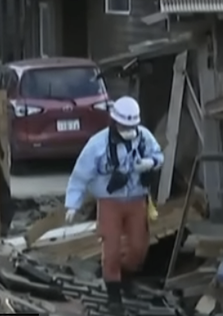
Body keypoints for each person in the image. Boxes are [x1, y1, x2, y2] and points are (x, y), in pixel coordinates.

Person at [63, 95, 163, 311]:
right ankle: (114, 293)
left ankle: (124, 273)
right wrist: (73, 204)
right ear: (115, 122)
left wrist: (150, 163)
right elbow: (80, 175)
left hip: (137, 199)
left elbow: (159, 155)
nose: (129, 130)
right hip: (110, 203)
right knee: (111, 248)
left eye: (132, 126)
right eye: (125, 126)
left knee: (138, 247)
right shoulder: (97, 145)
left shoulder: (144, 137)